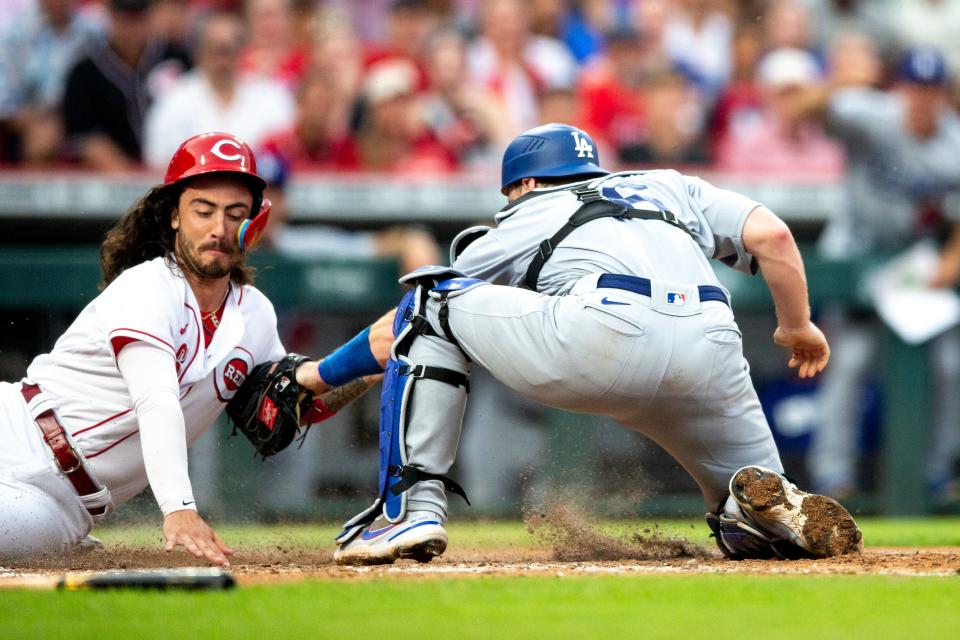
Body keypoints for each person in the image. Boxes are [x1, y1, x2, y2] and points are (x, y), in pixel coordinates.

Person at [312, 122, 863, 565]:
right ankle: (752, 519)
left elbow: (403, 326)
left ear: (524, 184)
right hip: (712, 347)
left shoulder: (528, 212)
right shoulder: (665, 184)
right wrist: (797, 325)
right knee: (759, 497)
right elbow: (774, 237)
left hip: (605, 333)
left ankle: (410, 509)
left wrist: (318, 376)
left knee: (430, 301)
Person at [0, 132, 380, 564]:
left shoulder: (255, 315)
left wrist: (374, 361)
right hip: (14, 431)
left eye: (236, 214)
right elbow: (155, 400)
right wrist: (179, 507)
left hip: (62, 509)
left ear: (254, 223)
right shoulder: (148, 285)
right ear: (175, 215)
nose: (219, 229)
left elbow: (296, 403)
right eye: (204, 211)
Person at [807, 47, 960, 505]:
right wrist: (841, 78)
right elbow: (805, 108)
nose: (922, 100)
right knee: (849, 362)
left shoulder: (953, 142)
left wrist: (952, 261)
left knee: (950, 365)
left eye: (931, 91)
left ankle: (940, 472)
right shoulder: (871, 114)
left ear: (944, 96)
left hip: (914, 266)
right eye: (915, 89)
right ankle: (832, 476)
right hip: (857, 252)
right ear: (900, 90)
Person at [143, 11, 295, 169]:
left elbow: (288, 156)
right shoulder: (173, 99)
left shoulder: (272, 98)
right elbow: (157, 161)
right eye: (214, 50)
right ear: (199, 51)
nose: (221, 60)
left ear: (242, 51)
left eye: (227, 50)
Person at [61, 0, 190, 169]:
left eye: (139, 16)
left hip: (171, 167)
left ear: (152, 15)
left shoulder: (177, 58)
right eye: (124, 16)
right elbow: (85, 138)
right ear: (111, 15)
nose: (132, 26)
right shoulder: (85, 72)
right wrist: (130, 179)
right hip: (113, 176)